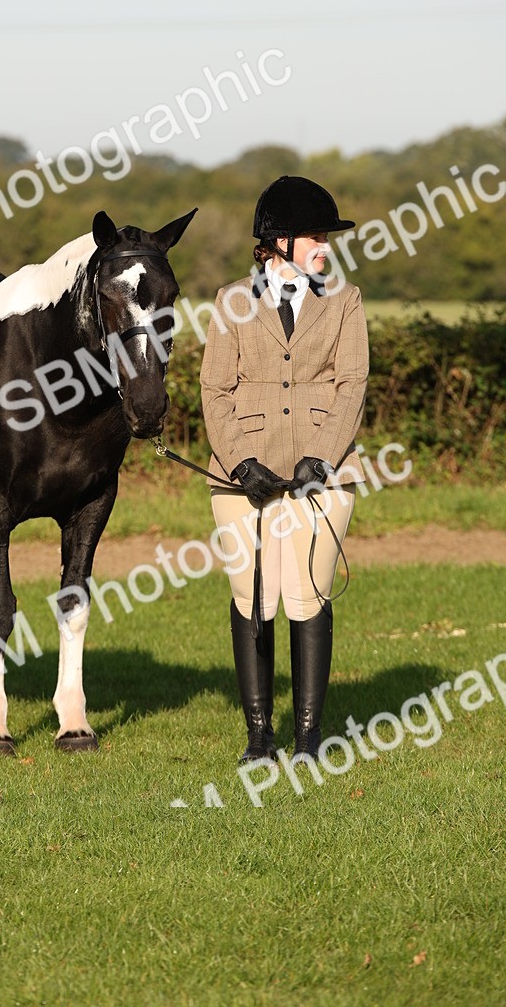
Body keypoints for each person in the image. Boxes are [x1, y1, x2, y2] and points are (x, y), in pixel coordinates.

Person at [199, 175, 369, 764]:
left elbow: (352, 384)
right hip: (241, 477)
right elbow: (215, 388)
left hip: (324, 474)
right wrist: (242, 461)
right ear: (278, 241)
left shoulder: (344, 301)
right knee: (253, 596)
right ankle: (257, 738)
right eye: (315, 234)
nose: (325, 245)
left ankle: (307, 739)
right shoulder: (230, 302)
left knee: (308, 593)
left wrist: (322, 457)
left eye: (326, 234)